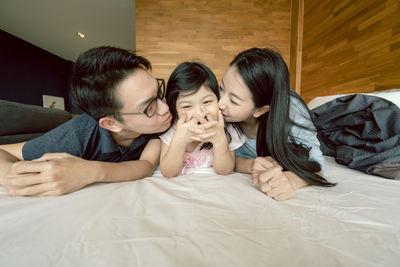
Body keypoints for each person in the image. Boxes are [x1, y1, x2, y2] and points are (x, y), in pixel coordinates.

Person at [0, 46, 172, 196]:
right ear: (112, 124)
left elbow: (146, 165)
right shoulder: (75, 137)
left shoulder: (169, 111)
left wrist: (92, 171)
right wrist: (12, 177)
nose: (165, 108)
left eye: (159, 93)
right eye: (149, 107)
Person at [218, 47, 335, 201]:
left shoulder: (292, 111)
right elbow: (226, 158)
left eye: (233, 101)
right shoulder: (219, 111)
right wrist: (249, 164)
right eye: (221, 88)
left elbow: (317, 165)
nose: (220, 103)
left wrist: (291, 180)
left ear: (260, 110)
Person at [159, 61, 244, 178]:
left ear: (218, 98)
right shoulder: (173, 130)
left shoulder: (225, 128)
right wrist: (179, 141)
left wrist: (220, 141)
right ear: (175, 110)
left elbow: (225, 171)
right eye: (187, 106)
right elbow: (168, 173)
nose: (199, 113)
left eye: (207, 102)